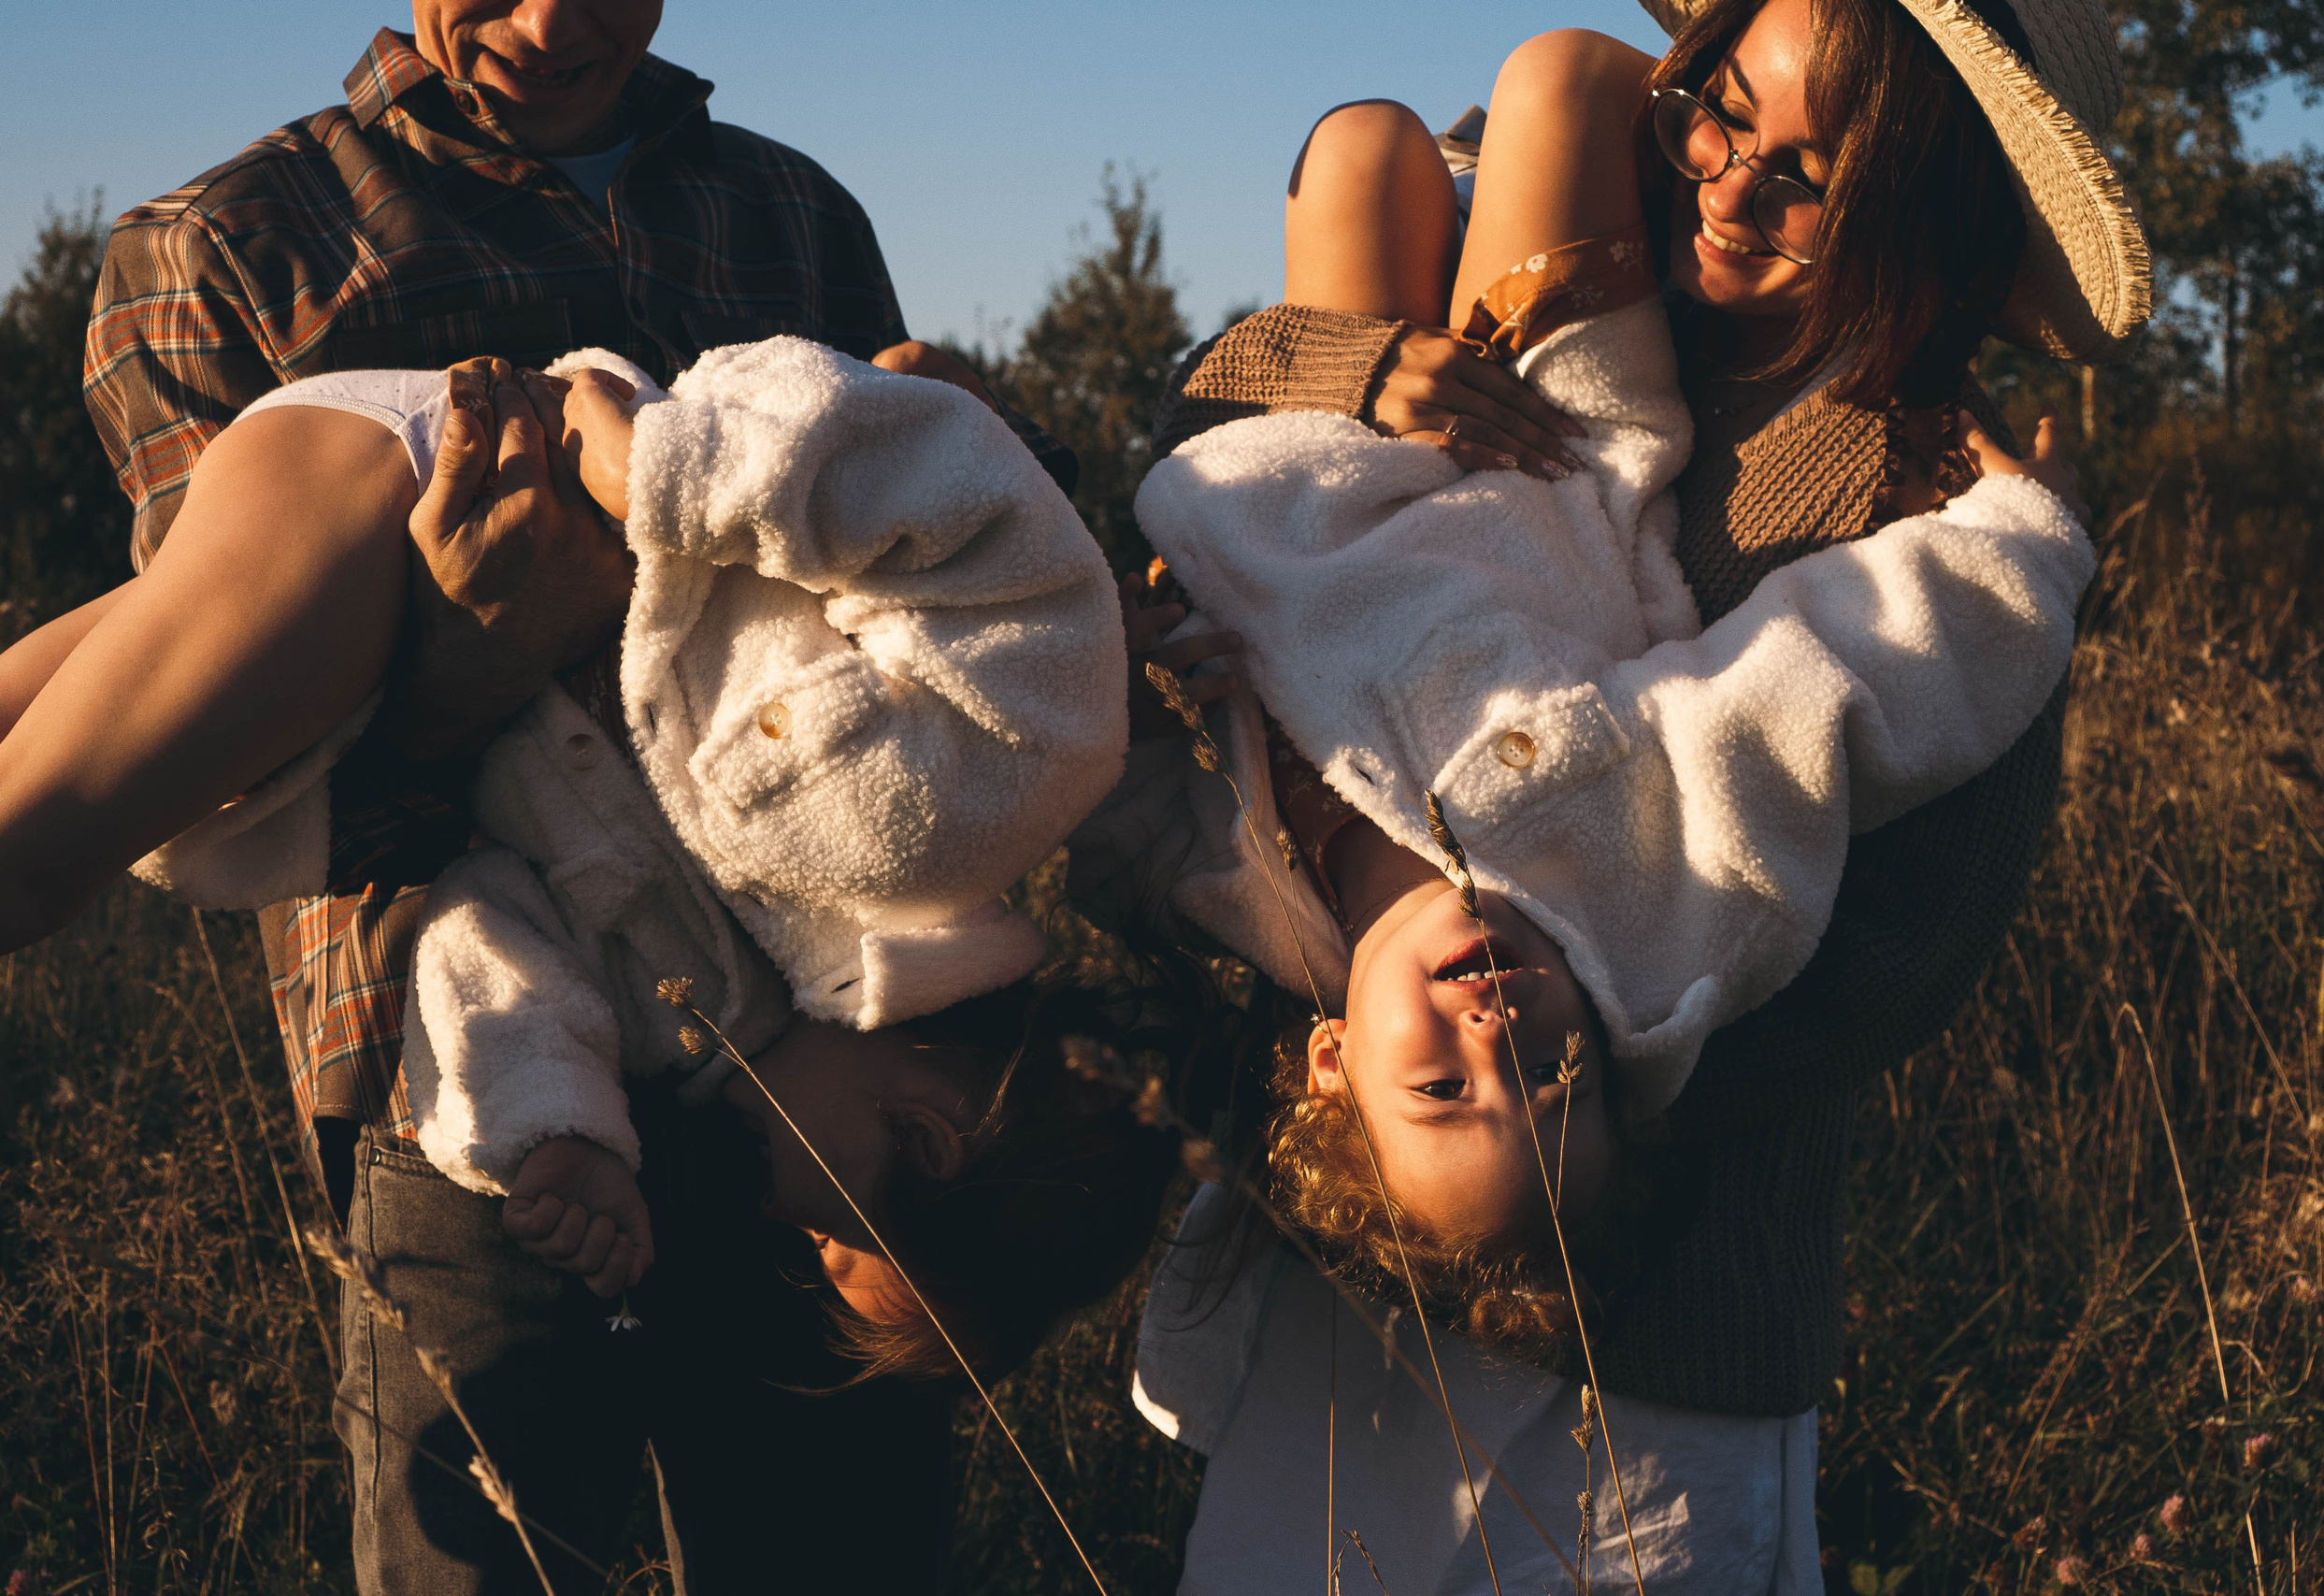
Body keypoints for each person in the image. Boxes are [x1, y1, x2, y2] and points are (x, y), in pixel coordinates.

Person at [1109, 0, 2151, 1583]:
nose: (1731, 192)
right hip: (1349, 1260)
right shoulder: (1602, 236)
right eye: (1719, 113)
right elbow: (1232, 412)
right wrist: (1362, 365)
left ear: (1929, 211)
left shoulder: (1925, 477)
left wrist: (1557, 1078)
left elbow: (1905, 955)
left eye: (1816, 177)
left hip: (1658, 1345)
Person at [64, 4, 1071, 1589]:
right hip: (471, 1088)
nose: (549, 18)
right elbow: (243, 763)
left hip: (825, 1074)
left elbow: (895, 580)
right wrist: (467, 669)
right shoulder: (218, 246)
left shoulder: (792, 214)